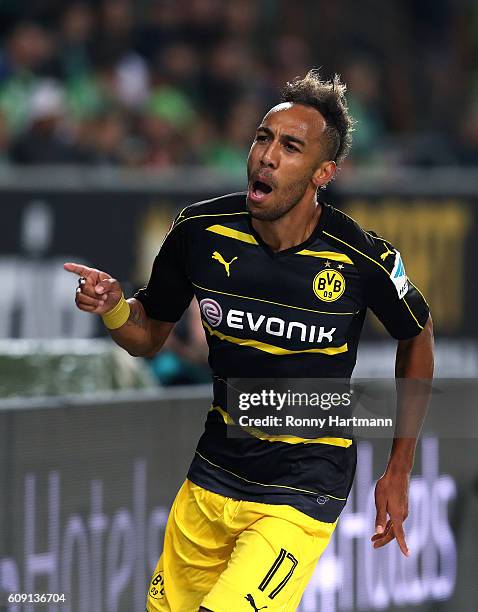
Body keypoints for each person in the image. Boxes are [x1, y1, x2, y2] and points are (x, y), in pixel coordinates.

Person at [65, 70, 434, 612]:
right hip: (213, 476)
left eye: (290, 147)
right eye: (263, 137)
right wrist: (115, 306)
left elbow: (418, 334)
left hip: (304, 485)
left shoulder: (361, 257)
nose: (266, 155)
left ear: (322, 173)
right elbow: (148, 334)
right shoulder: (199, 230)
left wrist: (399, 469)